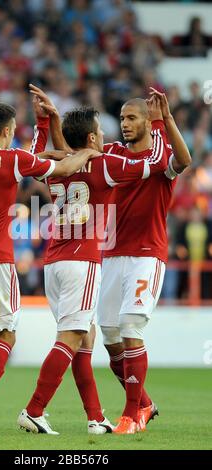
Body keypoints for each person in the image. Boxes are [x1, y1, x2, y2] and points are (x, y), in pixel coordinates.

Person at [17, 86, 169, 435]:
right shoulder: (104, 165)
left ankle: (95, 417)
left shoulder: (55, 164)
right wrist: (158, 123)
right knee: (71, 339)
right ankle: (34, 408)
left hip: (53, 261)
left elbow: (35, 156)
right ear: (90, 137)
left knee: (84, 341)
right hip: (82, 261)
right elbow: (158, 162)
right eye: (101, 131)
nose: (106, 135)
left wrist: (44, 121)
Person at [0, 101, 100, 436]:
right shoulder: (12, 159)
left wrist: (43, 126)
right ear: (7, 131)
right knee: (6, 334)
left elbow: (34, 159)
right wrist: (88, 154)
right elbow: (61, 169)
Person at [97, 89, 192, 434]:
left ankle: (130, 415)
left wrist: (167, 119)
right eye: (122, 118)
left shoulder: (162, 153)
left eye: (132, 117)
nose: (124, 124)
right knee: (109, 337)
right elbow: (78, 154)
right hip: (110, 254)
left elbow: (184, 162)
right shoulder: (112, 153)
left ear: (147, 121)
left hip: (146, 255)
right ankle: (146, 403)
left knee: (130, 328)